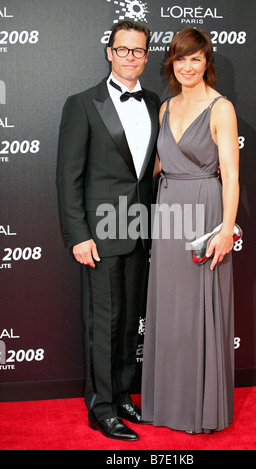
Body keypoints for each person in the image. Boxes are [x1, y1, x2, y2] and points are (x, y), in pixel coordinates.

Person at [57, 21, 160, 441]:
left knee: (130, 320)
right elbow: (68, 178)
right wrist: (77, 235)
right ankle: (99, 407)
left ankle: (120, 395)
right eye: (123, 49)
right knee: (105, 323)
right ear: (109, 53)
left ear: (147, 56)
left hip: (140, 230)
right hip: (98, 235)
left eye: (138, 51)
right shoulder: (82, 103)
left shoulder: (155, 102)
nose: (131, 57)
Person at [141, 27, 239, 434]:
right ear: (172, 63)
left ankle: (199, 408)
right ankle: (166, 403)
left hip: (204, 211)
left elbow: (231, 175)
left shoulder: (221, 108)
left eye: (195, 58)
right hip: (168, 211)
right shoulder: (164, 108)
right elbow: (159, 164)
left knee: (199, 309)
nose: (187, 66)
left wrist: (226, 229)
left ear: (207, 63)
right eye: (180, 59)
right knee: (170, 309)